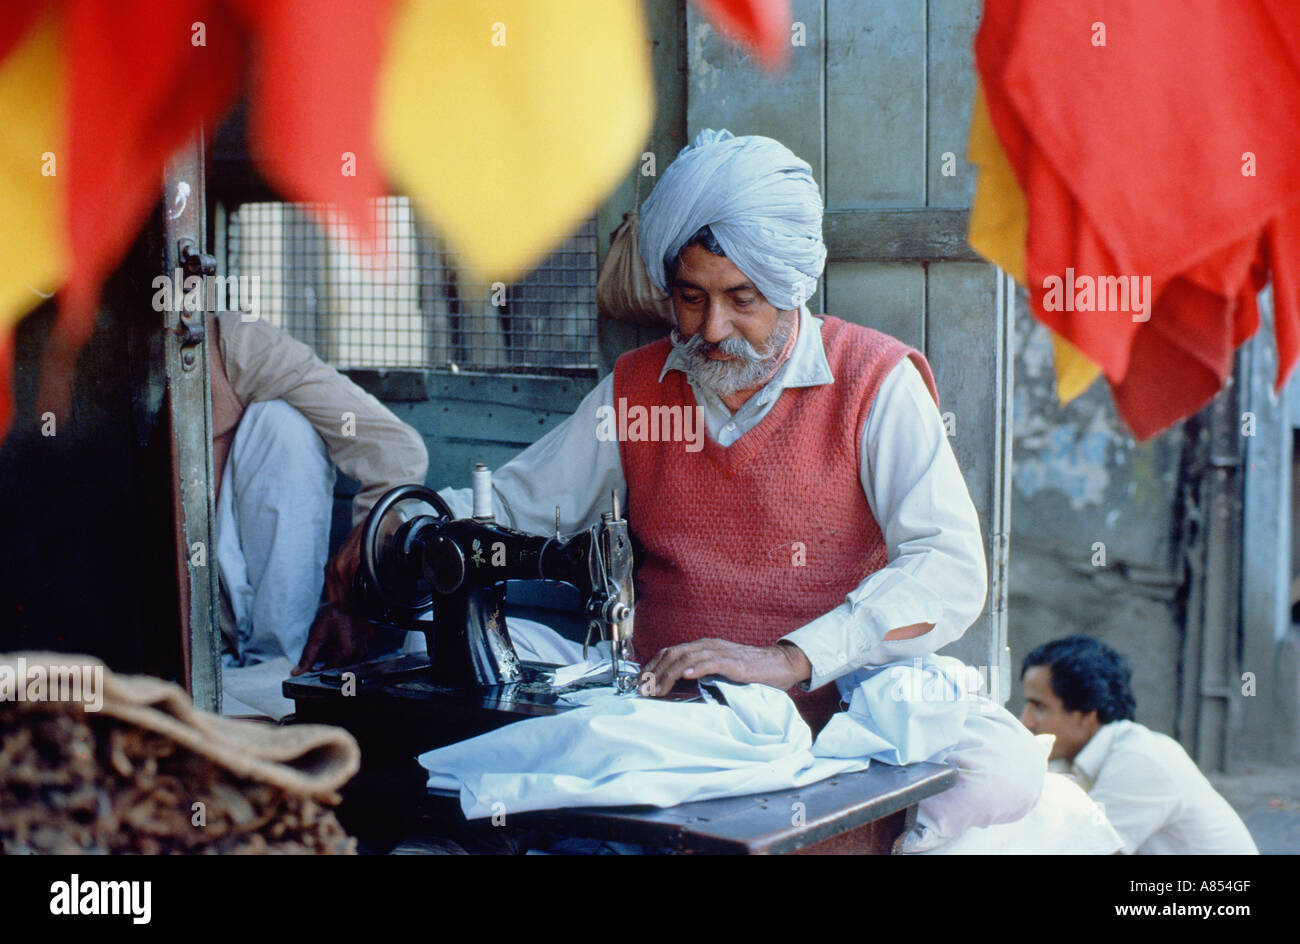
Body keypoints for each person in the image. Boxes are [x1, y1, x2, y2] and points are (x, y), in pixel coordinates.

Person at [434, 128, 1045, 843]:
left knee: (1003, 767)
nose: (713, 328)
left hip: (836, 702)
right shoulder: (636, 391)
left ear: (790, 288)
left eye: (742, 298)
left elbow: (947, 569)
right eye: (691, 298)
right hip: (679, 701)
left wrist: (790, 658)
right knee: (472, 691)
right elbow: (512, 506)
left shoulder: (873, 384)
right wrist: (403, 534)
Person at [209, 309, 428, 681]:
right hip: (144, 615)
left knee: (283, 424)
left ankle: (274, 669)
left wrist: (358, 590)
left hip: (237, 610)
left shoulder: (235, 344)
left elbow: (394, 447)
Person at [1020, 635, 1258, 854]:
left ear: (1086, 714)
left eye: (1039, 706)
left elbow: (1082, 850)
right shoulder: (1078, 758)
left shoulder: (1141, 758)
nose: (1025, 721)